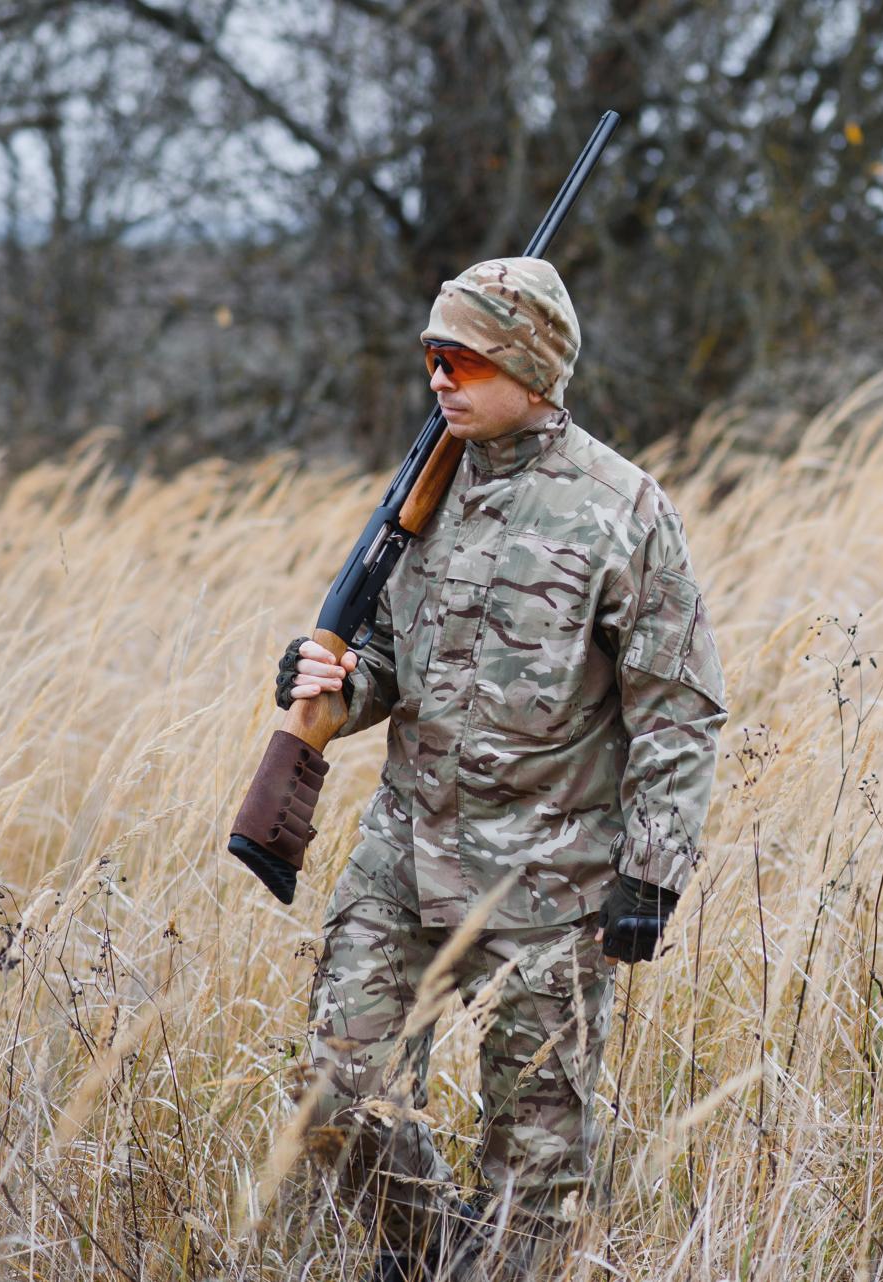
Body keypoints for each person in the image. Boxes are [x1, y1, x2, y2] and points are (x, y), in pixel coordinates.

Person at [277, 256, 728, 1280]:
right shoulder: (421, 497)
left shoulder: (623, 508)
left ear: (532, 369)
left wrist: (651, 873)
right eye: (433, 357)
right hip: (405, 856)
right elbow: (389, 660)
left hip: (551, 880)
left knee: (535, 1171)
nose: (441, 378)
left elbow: (678, 706)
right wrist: (332, 687)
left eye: (465, 360)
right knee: (339, 1099)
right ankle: (429, 1250)